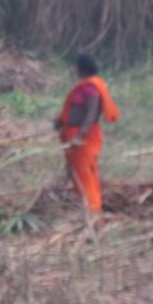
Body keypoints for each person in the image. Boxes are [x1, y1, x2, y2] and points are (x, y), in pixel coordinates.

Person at [55, 53, 120, 216]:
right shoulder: (84, 85)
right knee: (77, 172)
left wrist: (79, 136)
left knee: (85, 174)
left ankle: (93, 212)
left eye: (75, 65)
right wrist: (60, 121)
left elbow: (92, 113)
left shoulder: (91, 87)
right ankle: (84, 208)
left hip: (82, 137)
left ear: (80, 67)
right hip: (72, 133)